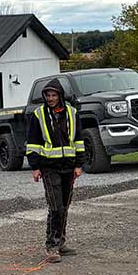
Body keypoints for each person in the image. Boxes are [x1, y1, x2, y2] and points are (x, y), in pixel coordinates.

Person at [25, 78, 85, 262]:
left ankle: (61, 244)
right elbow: (33, 142)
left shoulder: (72, 113)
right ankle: (51, 246)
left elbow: (78, 139)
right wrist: (35, 167)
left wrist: (78, 164)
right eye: (48, 95)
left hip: (69, 167)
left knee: (65, 207)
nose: (50, 98)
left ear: (60, 96)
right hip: (49, 167)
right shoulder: (39, 114)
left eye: (54, 95)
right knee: (55, 207)